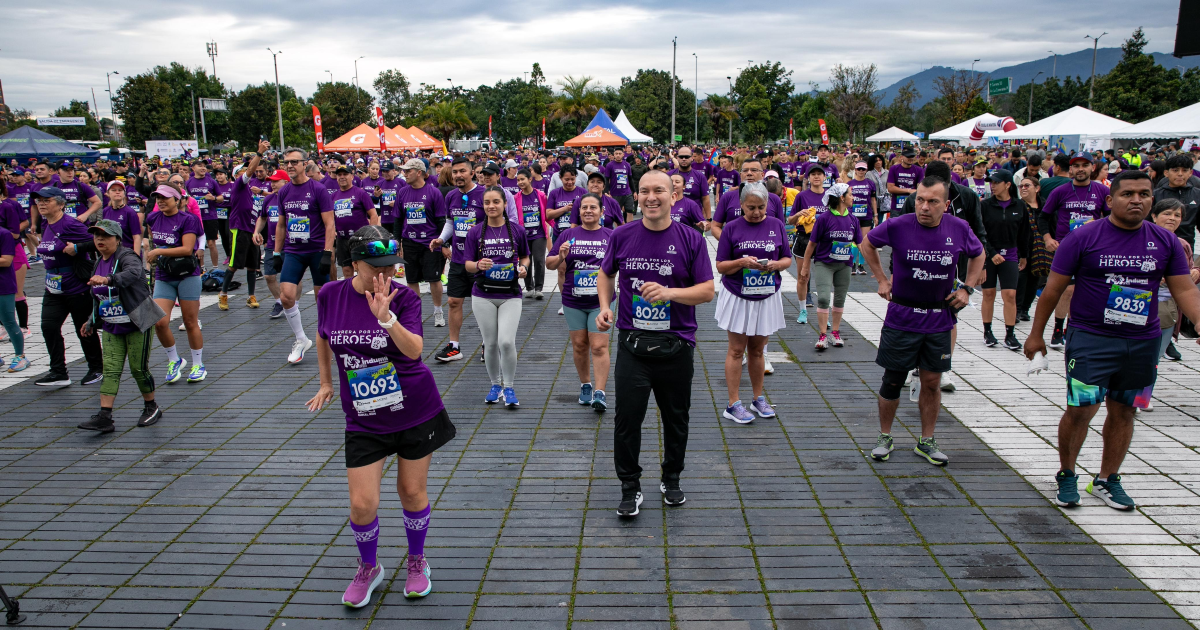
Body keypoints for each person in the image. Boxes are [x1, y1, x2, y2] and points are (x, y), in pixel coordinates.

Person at [1024, 170, 1200, 510]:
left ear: (1152, 199)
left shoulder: (1164, 242)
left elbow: (1185, 290)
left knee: (1124, 410)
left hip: (1142, 340)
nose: (1137, 200)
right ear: (1110, 200)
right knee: (1082, 409)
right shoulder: (1083, 238)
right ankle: (1067, 474)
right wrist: (1036, 335)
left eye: (1144, 194)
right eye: (1128, 194)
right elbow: (1053, 290)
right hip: (1091, 338)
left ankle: (1107, 479)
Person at [305, 225, 455, 608]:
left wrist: (387, 318)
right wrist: (325, 382)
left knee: (411, 491)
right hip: (364, 415)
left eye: (392, 266)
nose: (385, 274)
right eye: (376, 267)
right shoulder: (330, 295)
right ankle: (369, 567)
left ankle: (417, 561)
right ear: (355, 264)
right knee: (361, 503)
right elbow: (323, 336)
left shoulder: (404, 298)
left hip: (414, 410)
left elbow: (416, 351)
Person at [596, 170, 715, 517]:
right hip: (633, 345)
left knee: (676, 418)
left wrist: (669, 293)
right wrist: (606, 307)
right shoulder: (622, 235)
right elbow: (606, 273)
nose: (651, 197)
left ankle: (672, 478)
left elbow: (707, 291)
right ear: (637, 197)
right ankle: (629, 486)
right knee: (627, 419)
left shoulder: (691, 239)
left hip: (676, 344)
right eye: (644, 191)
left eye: (659, 191)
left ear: (673, 196)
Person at [860, 177, 985, 466]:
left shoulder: (959, 228)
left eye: (932, 201)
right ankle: (885, 436)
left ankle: (926, 441)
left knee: (931, 381)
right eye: (920, 199)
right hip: (902, 315)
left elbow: (979, 255)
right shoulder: (898, 225)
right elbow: (867, 245)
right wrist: (881, 279)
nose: (924, 207)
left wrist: (967, 288)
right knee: (893, 380)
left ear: (946, 204)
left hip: (939, 317)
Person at [76, 219, 165, 432]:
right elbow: (98, 297)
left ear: (117, 239)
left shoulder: (127, 256)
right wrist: (91, 320)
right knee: (111, 370)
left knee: (138, 369)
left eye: (105, 236)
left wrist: (108, 280)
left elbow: (135, 274)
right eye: (97, 236)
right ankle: (105, 416)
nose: (100, 240)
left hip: (136, 323)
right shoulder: (98, 262)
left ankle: (151, 406)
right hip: (111, 327)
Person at [714, 182, 789, 423]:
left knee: (758, 350)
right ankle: (733, 403)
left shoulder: (776, 225)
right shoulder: (732, 228)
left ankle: (758, 399)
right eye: (750, 208)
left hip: (766, 295)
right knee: (737, 350)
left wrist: (777, 265)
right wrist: (741, 262)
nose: (756, 212)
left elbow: (786, 257)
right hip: (738, 295)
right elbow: (721, 265)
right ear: (741, 205)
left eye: (761, 207)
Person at [547, 193, 614, 411]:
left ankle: (600, 392)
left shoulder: (611, 236)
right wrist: (561, 257)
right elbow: (549, 263)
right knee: (579, 345)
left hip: (601, 301)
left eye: (593, 207)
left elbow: (623, 263)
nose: (588, 211)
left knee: (599, 345)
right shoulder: (568, 234)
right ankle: (586, 384)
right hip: (573, 300)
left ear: (602, 212)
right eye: (584, 207)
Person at [32, 187, 105, 387]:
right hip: (53, 287)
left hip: (76, 286)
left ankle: (97, 368)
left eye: (47, 200)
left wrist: (77, 248)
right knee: (48, 327)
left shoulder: (71, 224)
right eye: (39, 200)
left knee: (84, 329)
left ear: (61, 203)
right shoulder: (45, 224)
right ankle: (58, 372)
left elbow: (99, 242)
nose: (41, 204)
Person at [464, 186, 530, 406]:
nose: (491, 206)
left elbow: (525, 258)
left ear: (504, 204)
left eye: (495, 202)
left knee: (506, 342)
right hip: (483, 295)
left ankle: (509, 388)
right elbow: (467, 265)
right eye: (486, 203)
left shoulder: (517, 230)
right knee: (490, 344)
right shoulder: (475, 232)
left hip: (511, 294)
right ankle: (495, 384)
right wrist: (478, 264)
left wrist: (523, 268)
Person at [1038, 154, 1110, 351]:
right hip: (1065, 247)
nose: (1080, 169)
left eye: (1085, 165)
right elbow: (1043, 217)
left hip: (1093, 248)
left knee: (1086, 289)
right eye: (1076, 166)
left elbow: (1112, 219)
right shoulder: (1060, 191)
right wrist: (1047, 239)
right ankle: (1058, 328)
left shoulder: (1102, 190)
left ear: (1092, 168)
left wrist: (1099, 224)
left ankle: (1076, 327)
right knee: (1067, 289)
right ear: (1070, 170)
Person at [273, 148, 337, 364]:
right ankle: (301, 339)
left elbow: (330, 224)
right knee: (286, 296)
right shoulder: (283, 192)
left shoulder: (318, 190)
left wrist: (328, 253)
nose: (289, 166)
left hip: (318, 249)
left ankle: (325, 336)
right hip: (294, 250)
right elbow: (281, 225)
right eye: (286, 163)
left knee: (322, 299)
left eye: (294, 162)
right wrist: (275, 251)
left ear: (304, 164)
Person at [145, 184, 207, 384]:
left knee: (190, 322)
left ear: (178, 200)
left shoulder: (189, 219)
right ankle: (174, 360)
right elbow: (153, 241)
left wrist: (158, 252)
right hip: (164, 275)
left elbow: (187, 248)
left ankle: (198, 364)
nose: (161, 202)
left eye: (165, 198)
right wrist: (153, 254)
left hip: (188, 274)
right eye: (158, 198)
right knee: (159, 321)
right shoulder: (152, 218)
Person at [798, 182, 861, 350]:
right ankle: (823, 334)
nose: (853, 197)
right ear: (842, 197)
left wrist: (872, 266)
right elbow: (811, 244)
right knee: (824, 298)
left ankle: (835, 332)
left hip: (844, 265)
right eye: (850, 194)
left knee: (840, 298)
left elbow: (860, 243)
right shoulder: (824, 219)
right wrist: (805, 266)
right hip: (824, 263)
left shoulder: (853, 219)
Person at [978, 170, 1032, 351]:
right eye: (991, 182)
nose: (992, 185)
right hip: (989, 254)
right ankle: (987, 331)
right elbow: (980, 232)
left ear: (1008, 184)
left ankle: (1010, 334)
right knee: (989, 293)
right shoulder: (985, 205)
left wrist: (1024, 255)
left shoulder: (1019, 206)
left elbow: (1024, 233)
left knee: (1010, 295)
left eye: (996, 182)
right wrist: (991, 252)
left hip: (1010, 253)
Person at [394, 158, 448, 325]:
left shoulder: (434, 192)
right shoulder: (402, 192)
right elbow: (398, 219)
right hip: (410, 242)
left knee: (434, 279)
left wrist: (442, 243)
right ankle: (415, 312)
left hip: (430, 243)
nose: (404, 174)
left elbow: (441, 221)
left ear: (419, 172)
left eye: (408, 171)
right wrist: (397, 242)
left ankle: (438, 311)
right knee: (411, 279)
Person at [219, 140, 271, 311]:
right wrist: (259, 153)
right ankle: (223, 294)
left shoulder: (251, 190)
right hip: (239, 229)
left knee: (253, 266)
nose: (249, 173)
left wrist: (258, 231)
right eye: (243, 172)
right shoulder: (238, 187)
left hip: (251, 231)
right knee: (234, 264)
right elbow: (249, 171)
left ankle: (251, 296)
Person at [330, 165, 379, 281]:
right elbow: (330, 218)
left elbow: (373, 214)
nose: (342, 177)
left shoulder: (360, 193)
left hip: (360, 239)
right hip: (342, 239)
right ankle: (350, 296)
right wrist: (333, 231)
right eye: (339, 175)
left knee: (364, 270)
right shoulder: (333, 196)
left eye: (345, 174)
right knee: (347, 271)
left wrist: (370, 234)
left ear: (352, 176)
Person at [253, 169, 289, 319]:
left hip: (289, 245)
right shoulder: (268, 199)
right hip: (271, 244)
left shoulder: (291, 198)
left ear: (286, 182)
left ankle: (294, 303)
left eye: (276, 181)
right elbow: (262, 217)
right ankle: (279, 301)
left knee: (290, 278)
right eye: (271, 181)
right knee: (269, 276)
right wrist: (256, 232)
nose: (272, 184)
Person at [515, 168, 549, 299]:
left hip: (539, 233)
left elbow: (547, 213)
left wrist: (552, 225)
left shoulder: (540, 195)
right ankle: (529, 287)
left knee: (539, 260)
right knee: (525, 259)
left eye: (522, 179)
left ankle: (539, 288)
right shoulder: (516, 198)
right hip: (523, 235)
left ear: (530, 179)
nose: (520, 182)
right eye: (518, 180)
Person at [1154, 153, 1200, 248]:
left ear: (1190, 173)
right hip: (1158, 243)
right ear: (1166, 173)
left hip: (1186, 245)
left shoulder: (1197, 194)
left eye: (1184, 170)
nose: (1180, 174)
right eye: (1175, 170)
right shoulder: (1156, 195)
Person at [0, 217, 27, 372]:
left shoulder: (4, 234)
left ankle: (20, 356)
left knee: (8, 321)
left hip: (3, 284)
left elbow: (6, 260)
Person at [186, 160, 225, 268]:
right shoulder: (188, 183)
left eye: (204, 166)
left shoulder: (212, 181)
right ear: (193, 168)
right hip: (194, 218)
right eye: (200, 166)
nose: (203, 168)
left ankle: (215, 267)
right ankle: (201, 267)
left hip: (210, 216)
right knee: (198, 244)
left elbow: (221, 197)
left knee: (211, 243)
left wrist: (214, 198)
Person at [847, 161, 878, 274]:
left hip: (866, 215)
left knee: (864, 240)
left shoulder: (870, 183)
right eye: (859, 169)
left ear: (866, 171)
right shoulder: (849, 183)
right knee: (853, 240)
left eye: (863, 169)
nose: (860, 171)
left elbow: (873, 200)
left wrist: (875, 215)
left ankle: (861, 265)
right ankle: (852, 264)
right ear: (855, 170)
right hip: (852, 215)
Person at [669, 147, 711, 220]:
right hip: (673, 219)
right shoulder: (668, 175)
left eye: (687, 157)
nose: (684, 159)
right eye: (681, 157)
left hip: (695, 219)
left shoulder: (700, 176)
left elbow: (705, 199)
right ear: (677, 158)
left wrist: (709, 218)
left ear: (692, 158)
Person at [604, 147, 636, 221]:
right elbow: (606, 179)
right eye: (616, 154)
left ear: (623, 155)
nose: (618, 155)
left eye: (619, 154)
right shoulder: (609, 165)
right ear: (614, 155)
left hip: (627, 192)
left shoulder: (627, 165)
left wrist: (634, 191)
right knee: (617, 213)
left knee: (630, 211)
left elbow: (630, 179)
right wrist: (606, 191)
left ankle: (629, 228)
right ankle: (619, 229)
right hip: (615, 193)